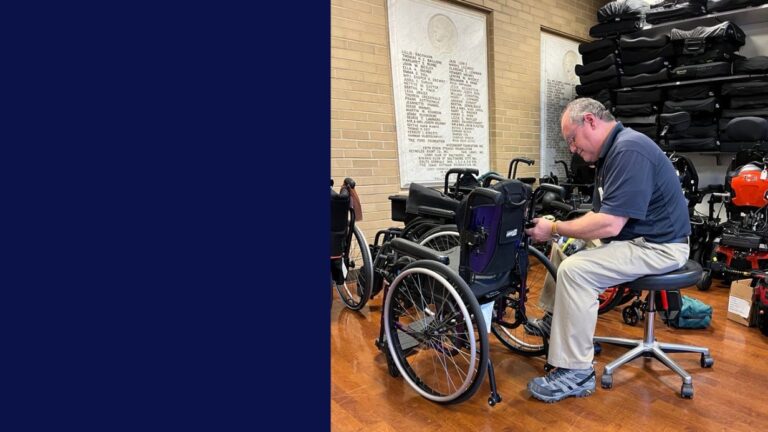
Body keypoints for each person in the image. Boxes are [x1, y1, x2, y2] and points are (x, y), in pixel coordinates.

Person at [523, 98, 690, 403]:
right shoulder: (611, 154)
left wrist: (556, 227)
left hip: (661, 247)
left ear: (590, 121)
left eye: (572, 139)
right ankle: (556, 320)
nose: (572, 148)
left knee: (576, 270)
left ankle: (576, 373)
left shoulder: (629, 150)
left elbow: (609, 225)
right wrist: (563, 233)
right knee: (566, 248)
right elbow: (603, 217)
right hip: (637, 238)